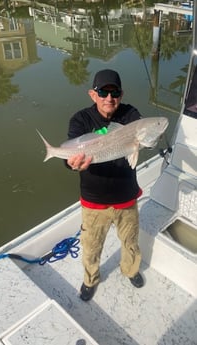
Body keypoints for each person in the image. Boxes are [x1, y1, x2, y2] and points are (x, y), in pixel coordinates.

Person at [66, 69, 144, 302]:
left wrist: (149, 138)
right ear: (93, 94)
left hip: (126, 197)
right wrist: (71, 164)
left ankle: (131, 270)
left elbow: (145, 138)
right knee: (91, 247)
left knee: (130, 241)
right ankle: (90, 279)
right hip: (94, 201)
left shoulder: (131, 115)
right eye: (103, 92)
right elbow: (69, 157)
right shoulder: (81, 120)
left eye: (114, 92)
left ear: (121, 94)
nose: (109, 98)